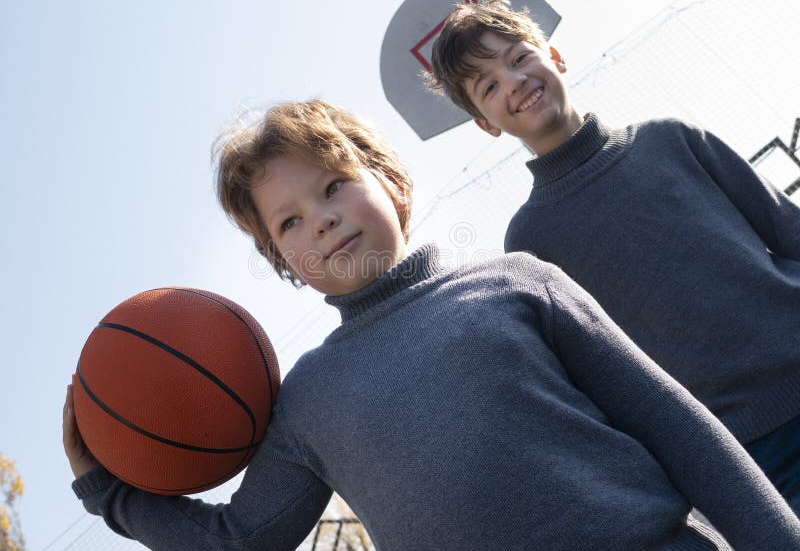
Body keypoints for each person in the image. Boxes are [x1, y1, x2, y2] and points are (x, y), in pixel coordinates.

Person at [63, 100, 800, 550]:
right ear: (285, 261)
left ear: (388, 177)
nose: (321, 218)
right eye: (291, 219)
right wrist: (112, 495)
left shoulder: (519, 279)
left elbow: (679, 427)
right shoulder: (307, 399)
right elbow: (240, 538)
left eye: (333, 185)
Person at [428, 0, 800, 515]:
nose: (514, 81)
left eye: (519, 57)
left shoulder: (672, 140)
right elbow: (601, 380)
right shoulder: (529, 243)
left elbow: (789, 231)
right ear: (486, 124)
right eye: (489, 85)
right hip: (749, 455)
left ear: (554, 58)